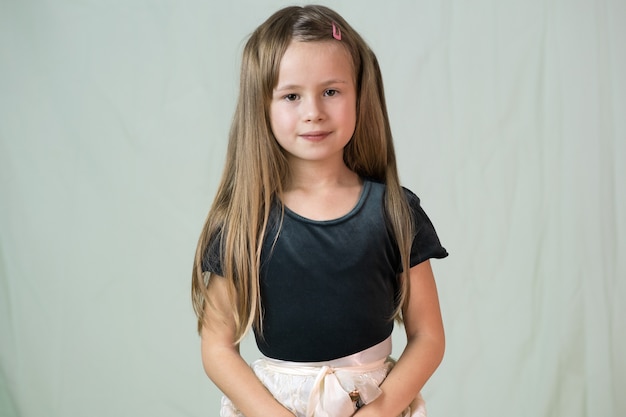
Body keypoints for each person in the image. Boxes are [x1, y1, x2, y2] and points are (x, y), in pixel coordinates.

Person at [191, 5, 448, 417]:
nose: (313, 111)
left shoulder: (395, 212)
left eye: (331, 91)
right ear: (263, 106)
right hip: (272, 409)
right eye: (292, 95)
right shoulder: (243, 223)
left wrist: (379, 412)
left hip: (375, 404)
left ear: (359, 95)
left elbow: (428, 336)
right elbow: (216, 346)